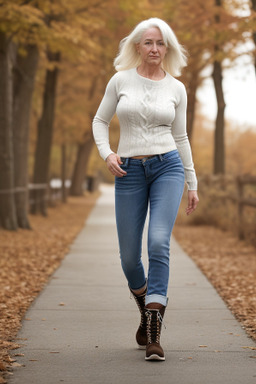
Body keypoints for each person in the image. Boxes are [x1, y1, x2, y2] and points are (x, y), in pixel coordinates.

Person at [92, 17, 199, 361]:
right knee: (128, 258)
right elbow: (100, 121)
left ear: (168, 48)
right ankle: (146, 307)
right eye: (149, 43)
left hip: (168, 166)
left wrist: (192, 183)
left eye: (161, 43)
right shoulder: (120, 80)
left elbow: (181, 137)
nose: (155, 49)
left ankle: (153, 330)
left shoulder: (177, 88)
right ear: (137, 46)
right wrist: (107, 153)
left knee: (158, 243)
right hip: (128, 171)